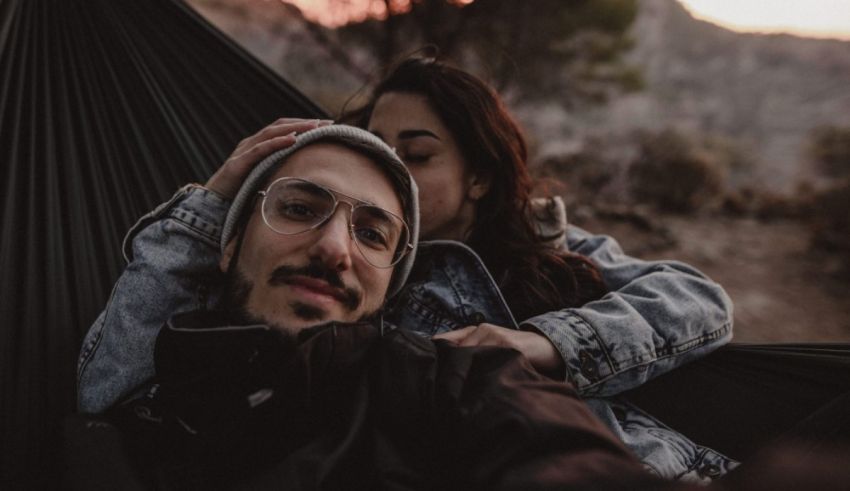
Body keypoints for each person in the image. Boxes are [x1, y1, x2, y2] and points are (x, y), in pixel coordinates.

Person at [78, 58, 735, 481]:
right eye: (305, 208)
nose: (339, 247)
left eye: (414, 155)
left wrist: (545, 343)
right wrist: (208, 212)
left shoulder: (548, 247)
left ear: (478, 175)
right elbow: (116, 389)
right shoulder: (331, 306)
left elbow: (695, 299)